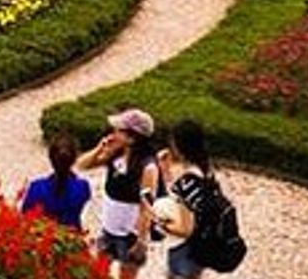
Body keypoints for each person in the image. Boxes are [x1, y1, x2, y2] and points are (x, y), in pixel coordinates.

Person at [78, 108, 162, 278]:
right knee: (99, 271)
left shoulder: (148, 167)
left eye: (119, 130)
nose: (114, 133)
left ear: (132, 138)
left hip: (130, 235)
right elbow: (82, 165)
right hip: (108, 228)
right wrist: (99, 148)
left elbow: (147, 207)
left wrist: (142, 241)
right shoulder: (116, 153)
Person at [155, 120, 234, 279]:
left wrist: (160, 222)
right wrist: (165, 168)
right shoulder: (206, 169)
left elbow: (185, 230)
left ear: (179, 146)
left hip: (186, 250)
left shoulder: (187, 180)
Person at [19, 134, 92, 231]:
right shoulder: (83, 187)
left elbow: (25, 216)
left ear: (50, 158)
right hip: (71, 240)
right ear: (74, 159)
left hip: (42, 240)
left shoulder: (36, 188)